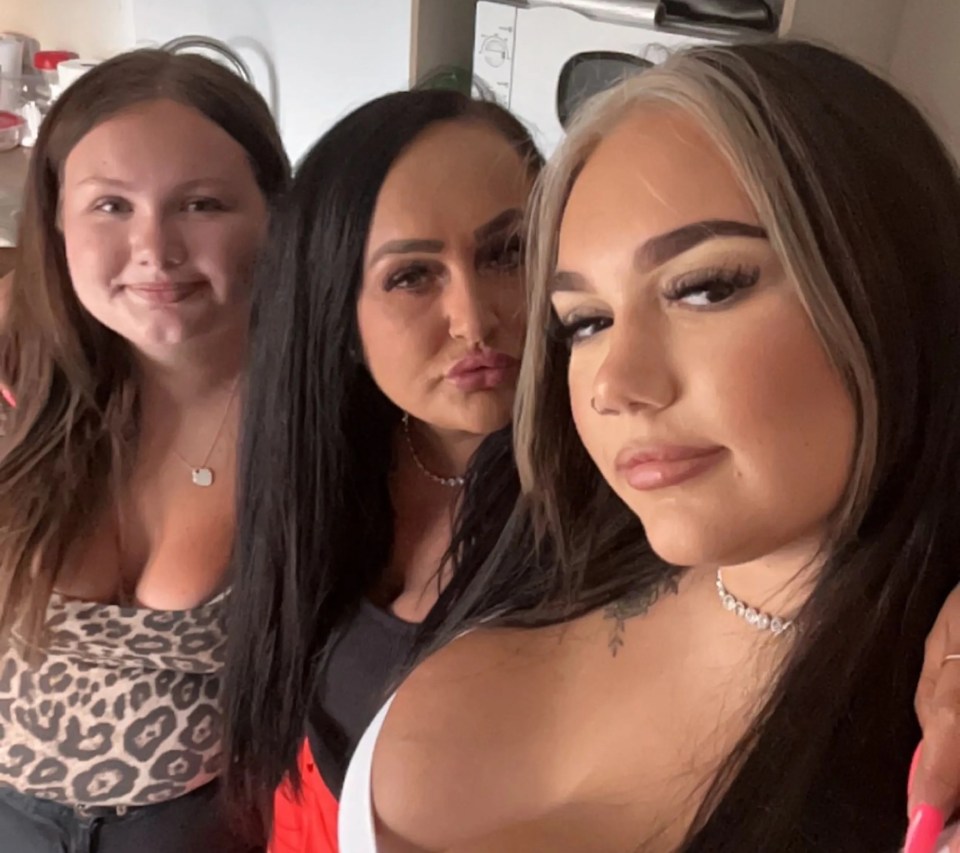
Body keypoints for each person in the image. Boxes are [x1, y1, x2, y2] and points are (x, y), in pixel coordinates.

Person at [336, 40, 960, 853]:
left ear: (893, 283)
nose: (612, 385)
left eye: (706, 287)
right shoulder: (534, 538)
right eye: (585, 323)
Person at [221, 90, 542, 851]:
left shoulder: (616, 502)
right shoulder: (333, 465)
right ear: (340, 318)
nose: (474, 317)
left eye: (506, 252)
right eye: (412, 276)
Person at [0, 49, 289, 851]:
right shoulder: (18, 374)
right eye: (111, 206)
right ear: (55, 221)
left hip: (199, 828)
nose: (154, 250)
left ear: (274, 213)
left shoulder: (316, 414)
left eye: (201, 204)